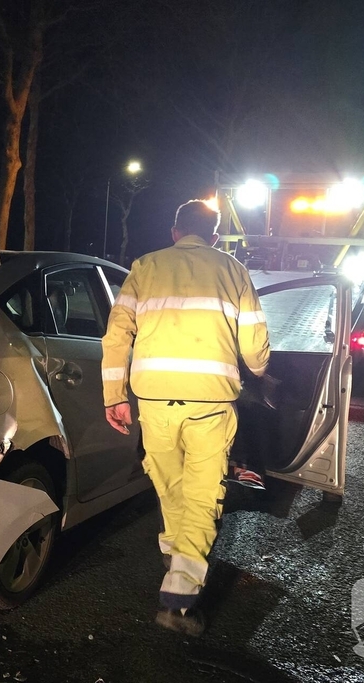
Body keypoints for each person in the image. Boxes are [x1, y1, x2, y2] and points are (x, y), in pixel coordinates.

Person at [101, 199, 270, 636]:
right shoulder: (232, 270)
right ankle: (179, 596)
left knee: (169, 484)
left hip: (154, 402)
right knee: (200, 494)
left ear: (175, 231)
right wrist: (262, 369)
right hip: (209, 405)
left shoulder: (144, 266)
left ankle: (176, 557)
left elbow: (116, 334)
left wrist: (113, 396)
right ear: (213, 235)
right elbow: (254, 346)